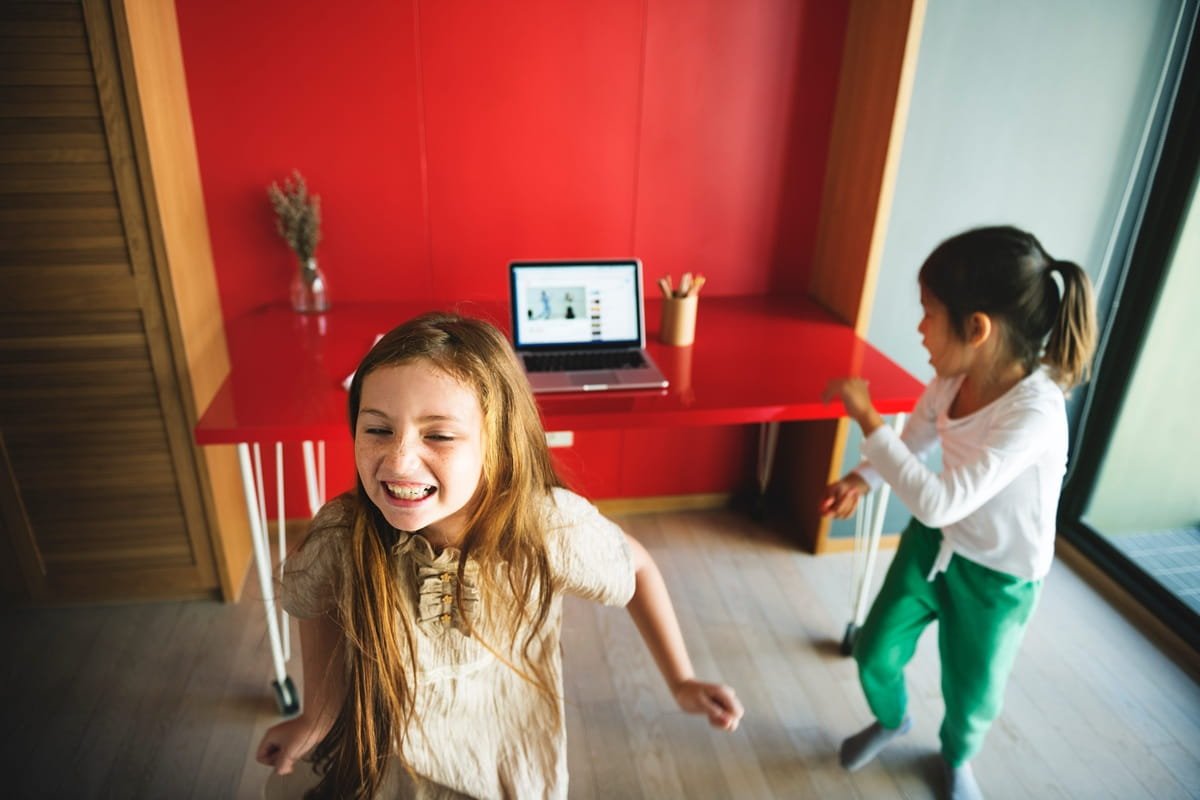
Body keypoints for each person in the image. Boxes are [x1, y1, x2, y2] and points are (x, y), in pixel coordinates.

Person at [256, 311, 743, 799]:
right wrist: (316, 716)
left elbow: (635, 567)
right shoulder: (342, 534)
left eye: (438, 435)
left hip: (509, 769)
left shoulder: (549, 529)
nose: (399, 460)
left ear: (500, 443)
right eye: (378, 430)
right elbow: (315, 602)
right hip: (387, 771)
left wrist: (681, 680)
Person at [821, 226, 1096, 800]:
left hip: (1000, 575)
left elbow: (938, 498)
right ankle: (893, 719)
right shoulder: (951, 380)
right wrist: (861, 478)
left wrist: (868, 418)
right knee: (874, 651)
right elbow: (915, 442)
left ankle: (956, 756)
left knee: (972, 694)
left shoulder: (1036, 412)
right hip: (935, 544)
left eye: (928, 313)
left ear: (977, 329)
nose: (920, 328)